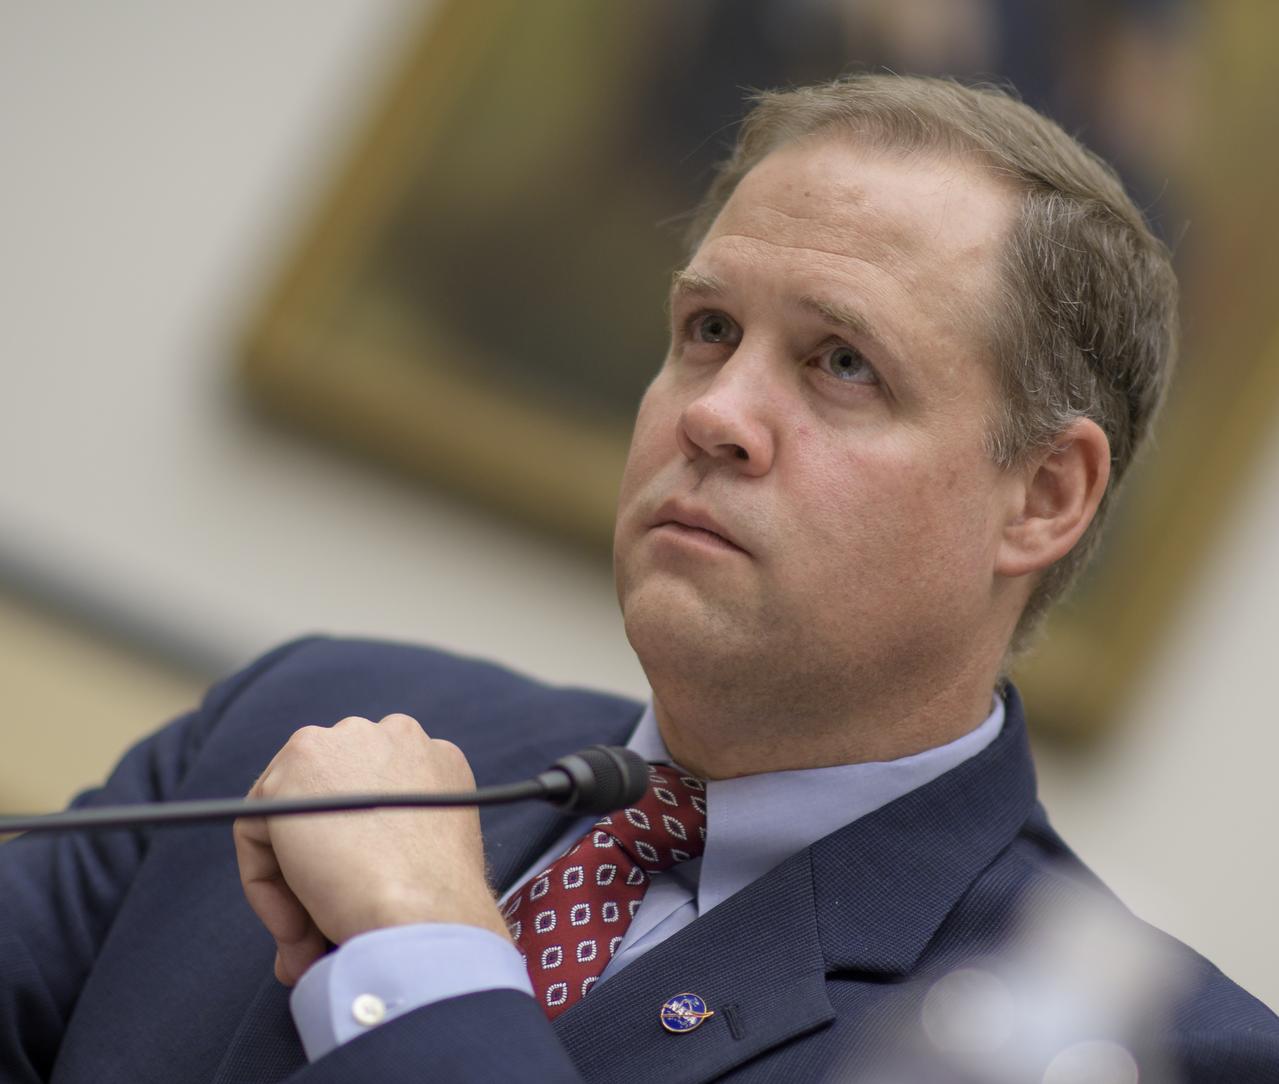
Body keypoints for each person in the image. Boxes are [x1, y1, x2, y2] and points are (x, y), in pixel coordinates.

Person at [3, 75, 1277, 1083]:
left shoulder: (1145, 1051)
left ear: (1043, 495)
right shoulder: (304, 718)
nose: (715, 413)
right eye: (708, 331)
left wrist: (424, 953)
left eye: (841, 364)